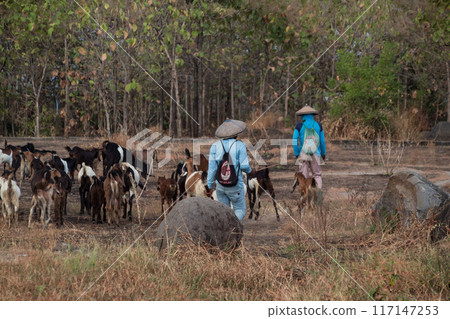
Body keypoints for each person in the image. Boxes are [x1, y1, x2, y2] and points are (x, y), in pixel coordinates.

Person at [206, 119, 253, 221]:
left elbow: (212, 169)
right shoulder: (240, 145)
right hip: (235, 185)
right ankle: (233, 227)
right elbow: (244, 166)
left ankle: (226, 229)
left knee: (224, 211)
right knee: (240, 210)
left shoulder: (214, 146)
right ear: (236, 133)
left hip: (220, 186)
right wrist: (250, 171)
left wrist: (209, 185)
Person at [292, 105, 326, 189]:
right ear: (313, 115)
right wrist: (323, 153)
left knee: (303, 176)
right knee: (317, 175)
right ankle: (318, 197)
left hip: (303, 153)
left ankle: (305, 198)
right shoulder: (318, 125)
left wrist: (297, 153)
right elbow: (322, 141)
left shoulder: (299, 125)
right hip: (316, 153)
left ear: (302, 115)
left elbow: (294, 140)